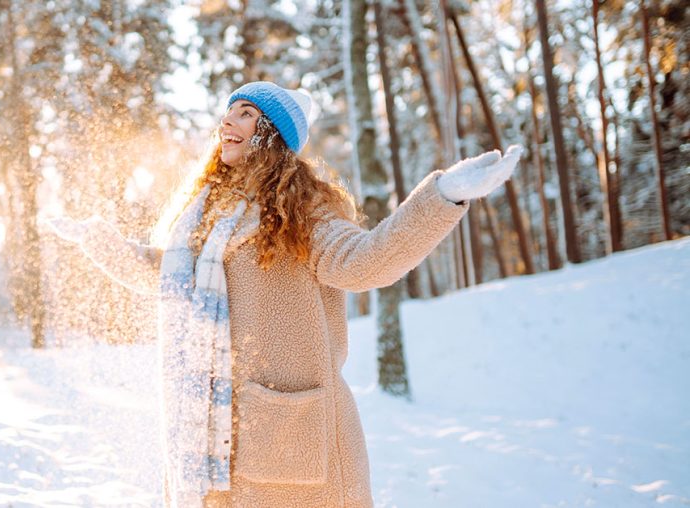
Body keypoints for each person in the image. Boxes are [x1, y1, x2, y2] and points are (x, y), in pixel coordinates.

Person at [45, 81, 522, 508]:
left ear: (272, 133)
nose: (227, 121)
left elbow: (366, 261)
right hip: (212, 441)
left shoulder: (304, 211)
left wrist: (442, 197)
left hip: (291, 439)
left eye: (246, 113)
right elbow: (169, 278)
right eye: (229, 112)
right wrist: (97, 241)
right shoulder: (207, 213)